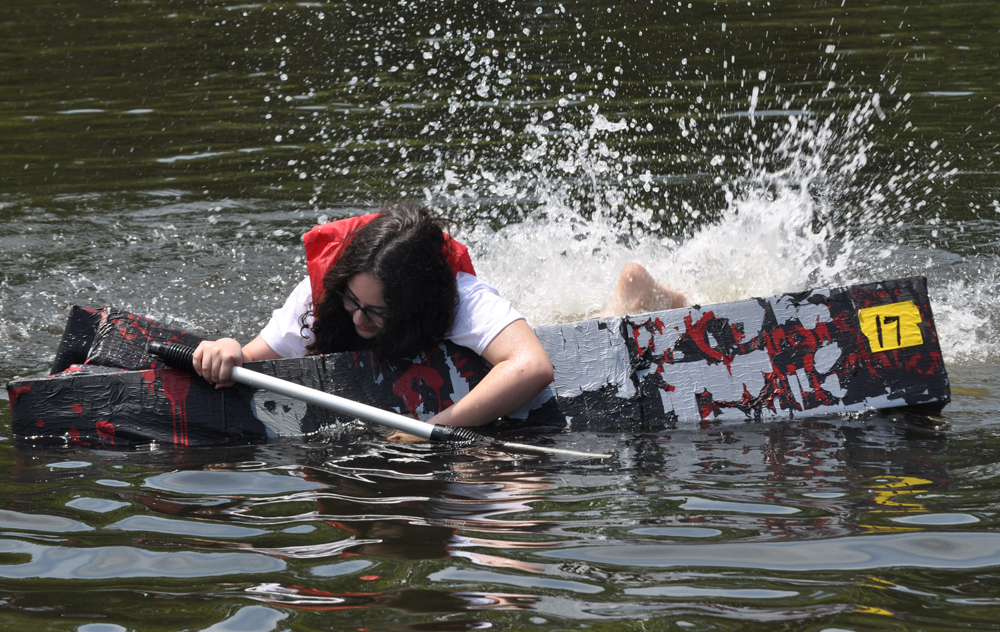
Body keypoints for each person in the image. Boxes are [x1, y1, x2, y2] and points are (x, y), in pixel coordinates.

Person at [193, 203, 685, 428]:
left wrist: (439, 425)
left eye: (376, 312)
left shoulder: (461, 298)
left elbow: (533, 366)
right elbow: (258, 358)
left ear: (415, 306)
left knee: (567, 331)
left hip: (477, 361)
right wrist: (228, 351)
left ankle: (629, 302)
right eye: (353, 303)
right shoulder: (325, 293)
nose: (359, 319)